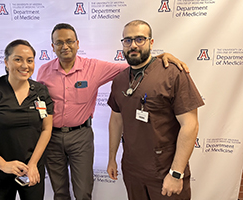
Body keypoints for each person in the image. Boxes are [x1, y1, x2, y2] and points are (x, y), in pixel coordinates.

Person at [36, 23, 189, 200]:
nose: (65, 46)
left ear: (78, 43)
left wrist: (160, 58)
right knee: (59, 190)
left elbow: (134, 66)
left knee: (83, 190)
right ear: (52, 46)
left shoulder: (93, 68)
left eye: (69, 41)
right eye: (59, 42)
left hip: (80, 137)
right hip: (51, 137)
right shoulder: (43, 71)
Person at [107, 20, 204, 200]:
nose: (133, 45)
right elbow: (116, 120)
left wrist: (176, 173)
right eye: (127, 40)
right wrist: (111, 158)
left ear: (151, 43)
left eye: (139, 39)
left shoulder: (173, 73)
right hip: (132, 170)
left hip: (164, 171)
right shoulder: (119, 80)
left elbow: (190, 125)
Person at [0, 39, 53, 200]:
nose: (24, 65)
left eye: (30, 60)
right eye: (18, 59)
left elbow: (46, 129)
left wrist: (33, 163)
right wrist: (4, 165)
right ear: (6, 62)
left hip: (31, 170)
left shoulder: (40, 91)